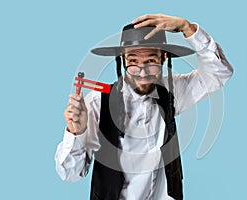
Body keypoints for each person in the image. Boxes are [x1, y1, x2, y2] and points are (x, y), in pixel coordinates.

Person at [55, 14, 233, 200]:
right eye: (133, 62)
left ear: (163, 58)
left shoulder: (171, 92)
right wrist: (75, 132)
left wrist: (187, 28)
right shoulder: (97, 103)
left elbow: (220, 73)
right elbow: (70, 174)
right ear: (123, 60)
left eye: (150, 61)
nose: (142, 72)